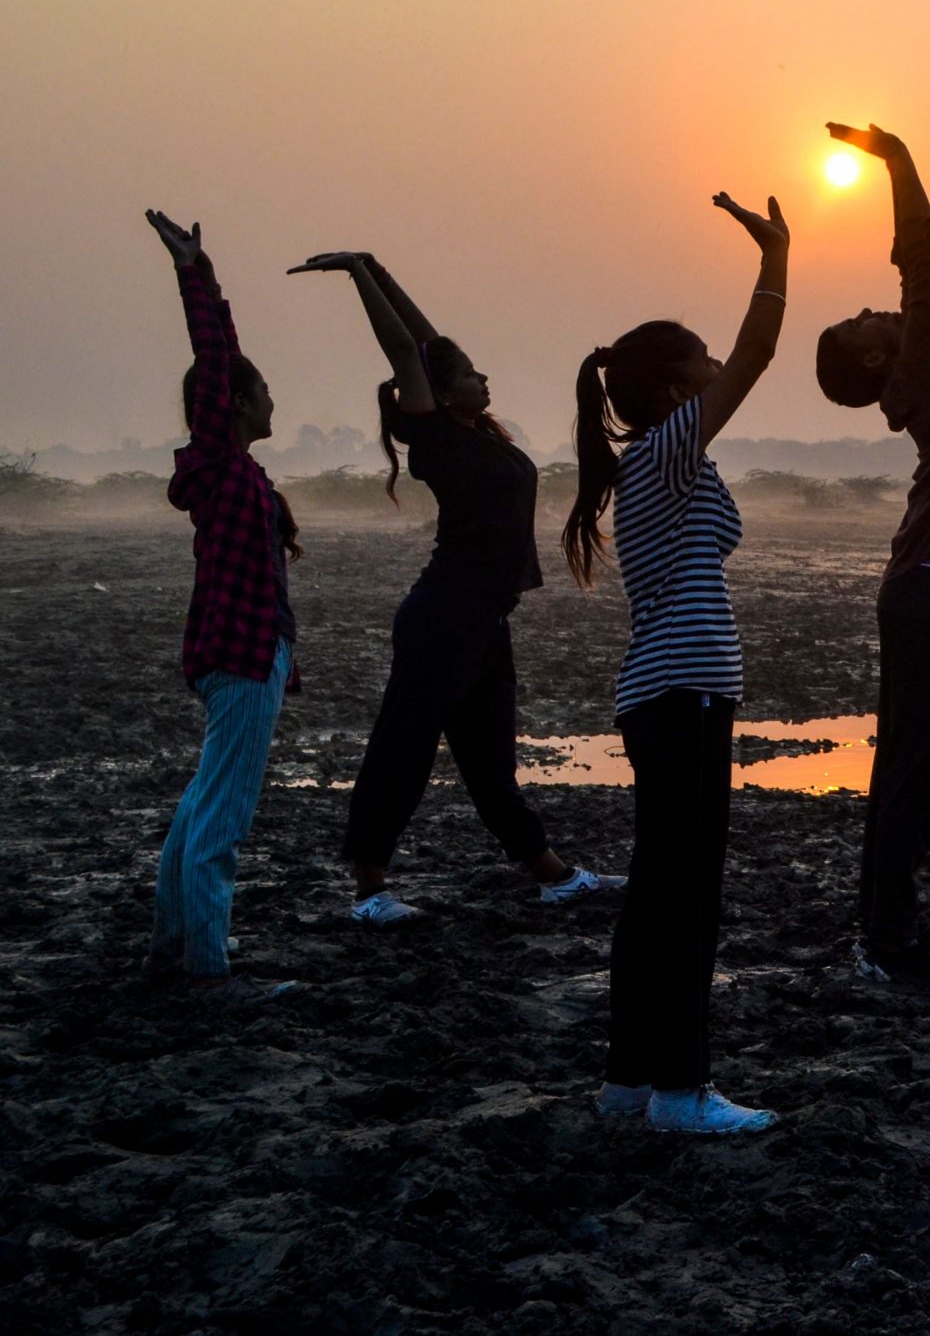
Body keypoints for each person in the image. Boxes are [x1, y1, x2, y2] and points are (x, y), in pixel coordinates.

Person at [289, 251, 621, 925]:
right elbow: (409, 350)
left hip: (482, 618)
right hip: (443, 615)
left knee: (491, 760)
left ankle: (552, 873)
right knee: (404, 748)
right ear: (441, 394)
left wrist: (381, 269)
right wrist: (357, 275)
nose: (484, 376)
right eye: (471, 374)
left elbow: (429, 343)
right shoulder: (436, 439)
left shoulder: (476, 433)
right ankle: (368, 888)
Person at [564, 190, 789, 1135]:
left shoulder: (653, 463)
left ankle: (628, 1082)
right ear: (669, 386)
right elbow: (761, 353)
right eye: (698, 359)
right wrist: (775, 259)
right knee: (687, 895)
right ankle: (683, 1090)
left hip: (665, 693)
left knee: (658, 889)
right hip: (682, 694)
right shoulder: (667, 449)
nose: (714, 369)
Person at [812, 124, 930, 986]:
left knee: (912, 769)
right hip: (928, 592)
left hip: (928, 586)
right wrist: (896, 159)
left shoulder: (914, 374)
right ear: (874, 355)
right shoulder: (918, 370)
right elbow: (925, 268)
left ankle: (887, 926)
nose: (876, 308)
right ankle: (888, 936)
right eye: (864, 320)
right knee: (915, 774)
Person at [144, 209, 299, 1002]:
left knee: (206, 800)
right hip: (239, 656)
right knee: (224, 814)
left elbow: (223, 360)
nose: (274, 399)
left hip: (239, 653)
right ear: (235, 404)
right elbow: (217, 358)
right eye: (262, 391)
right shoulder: (218, 461)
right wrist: (194, 276)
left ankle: (175, 944)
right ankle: (206, 963)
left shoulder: (235, 470)